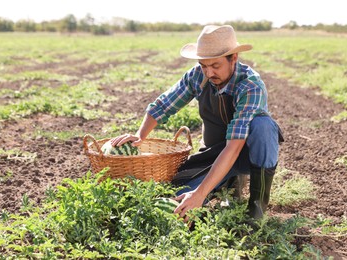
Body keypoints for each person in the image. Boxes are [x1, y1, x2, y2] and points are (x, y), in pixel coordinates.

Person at [110, 25, 283, 219]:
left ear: (233, 58)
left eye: (215, 66)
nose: (209, 73)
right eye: (204, 65)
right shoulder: (197, 75)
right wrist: (140, 135)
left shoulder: (250, 86)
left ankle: (256, 212)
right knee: (177, 199)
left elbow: (234, 147)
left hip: (246, 153)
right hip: (212, 153)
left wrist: (200, 194)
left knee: (263, 126)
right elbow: (163, 105)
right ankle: (227, 182)